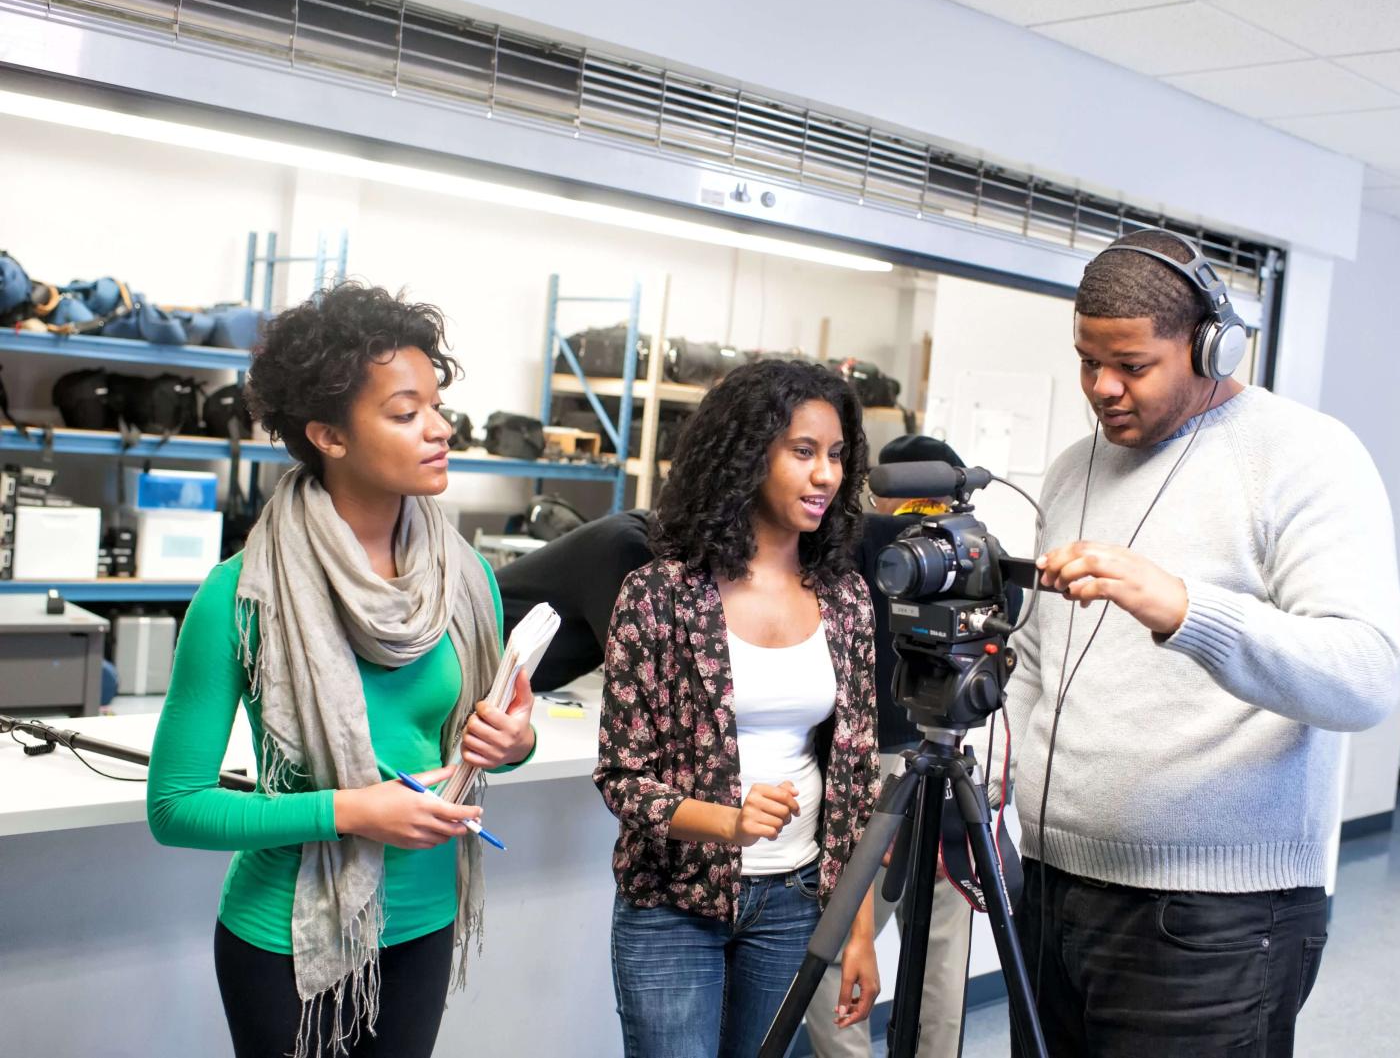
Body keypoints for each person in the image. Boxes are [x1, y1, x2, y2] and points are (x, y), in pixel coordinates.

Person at [1002, 229, 1400, 1057]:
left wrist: (1187, 609)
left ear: (1209, 346)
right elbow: (1040, 662)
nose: (1103, 388)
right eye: (1087, 361)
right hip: (1049, 891)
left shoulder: (1305, 455)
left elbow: (1365, 675)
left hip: (1213, 920)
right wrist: (999, 778)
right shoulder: (1074, 468)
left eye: (1133, 365)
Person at [147, 283, 536, 1058]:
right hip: (284, 941)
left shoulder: (466, 580)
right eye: (404, 413)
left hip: (424, 922)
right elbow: (175, 806)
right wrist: (353, 811)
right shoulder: (242, 595)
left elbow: (484, 744)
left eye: (436, 404)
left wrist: (512, 738)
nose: (439, 428)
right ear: (328, 434)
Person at [594, 357, 882, 1058]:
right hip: (672, 901)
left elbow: (856, 781)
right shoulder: (661, 592)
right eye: (803, 452)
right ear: (747, 455)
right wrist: (728, 821)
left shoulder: (845, 598)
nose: (826, 476)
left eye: (837, 455)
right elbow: (621, 776)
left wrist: (860, 931)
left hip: (794, 898)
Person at [807, 432, 978, 1058]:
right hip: (945, 757)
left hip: (877, 767)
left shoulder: (849, 543)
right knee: (939, 961)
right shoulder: (976, 554)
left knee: (839, 956)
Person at [494, 508, 652, 689]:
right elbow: (640, 679)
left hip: (512, 682)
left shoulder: (635, 533)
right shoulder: (629, 549)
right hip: (486, 666)